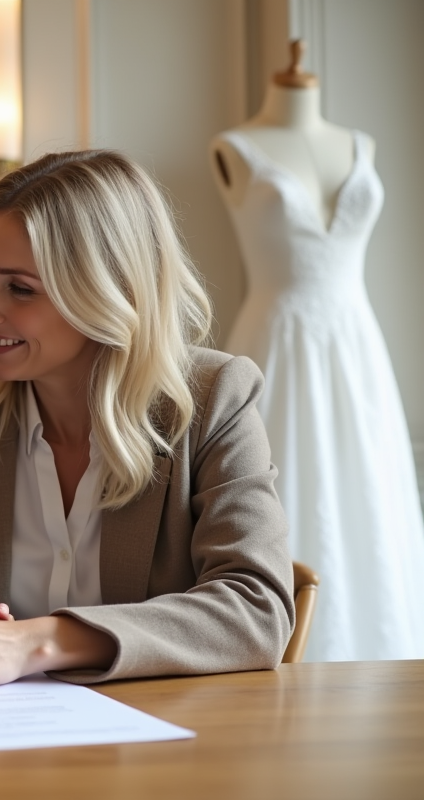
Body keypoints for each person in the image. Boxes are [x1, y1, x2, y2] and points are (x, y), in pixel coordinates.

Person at [0, 149, 294, 690]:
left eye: (20, 288)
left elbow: (257, 611)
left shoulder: (214, 397)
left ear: (109, 290)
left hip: (168, 746)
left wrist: (36, 641)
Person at [210, 41, 424, 662]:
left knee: (367, 506)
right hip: (277, 342)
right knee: (280, 491)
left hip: (356, 349)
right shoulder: (235, 146)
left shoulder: (361, 145)